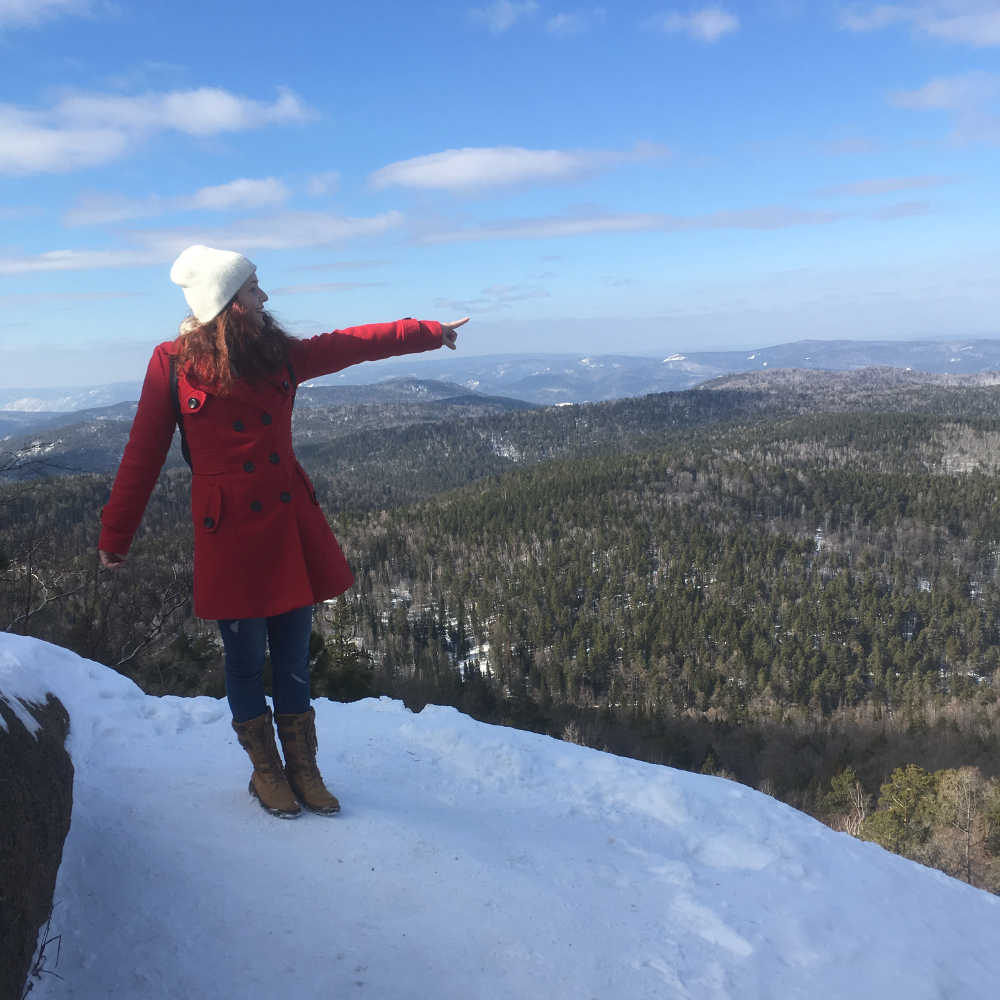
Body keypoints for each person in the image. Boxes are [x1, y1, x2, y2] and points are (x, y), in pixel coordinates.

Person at [98, 244, 468, 820]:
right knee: (245, 662)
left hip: (287, 523)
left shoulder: (279, 354)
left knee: (294, 658)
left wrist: (425, 331)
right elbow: (142, 454)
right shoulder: (171, 364)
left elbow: (351, 344)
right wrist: (116, 535)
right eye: (252, 289)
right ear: (226, 304)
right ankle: (266, 772)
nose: (264, 297)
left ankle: (304, 769)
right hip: (230, 537)